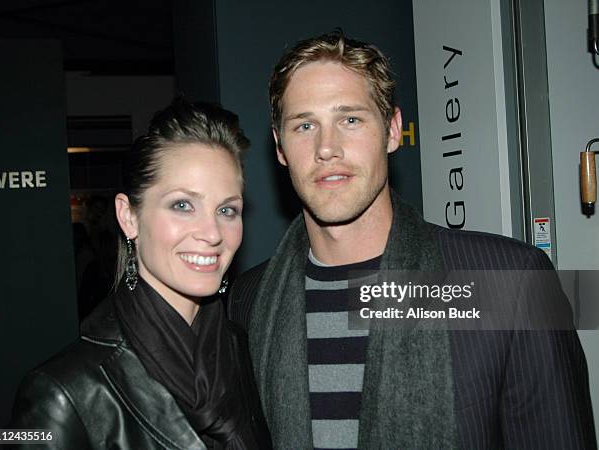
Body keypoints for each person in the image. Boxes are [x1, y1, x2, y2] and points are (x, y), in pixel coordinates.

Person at [228, 31, 597, 449]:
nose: (326, 148)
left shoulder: (511, 283)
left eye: (350, 119)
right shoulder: (251, 299)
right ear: (280, 148)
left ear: (392, 131)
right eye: (305, 125)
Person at [10, 98, 272, 449]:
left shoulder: (244, 349)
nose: (212, 233)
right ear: (128, 216)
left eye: (227, 209)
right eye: (183, 205)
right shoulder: (62, 392)